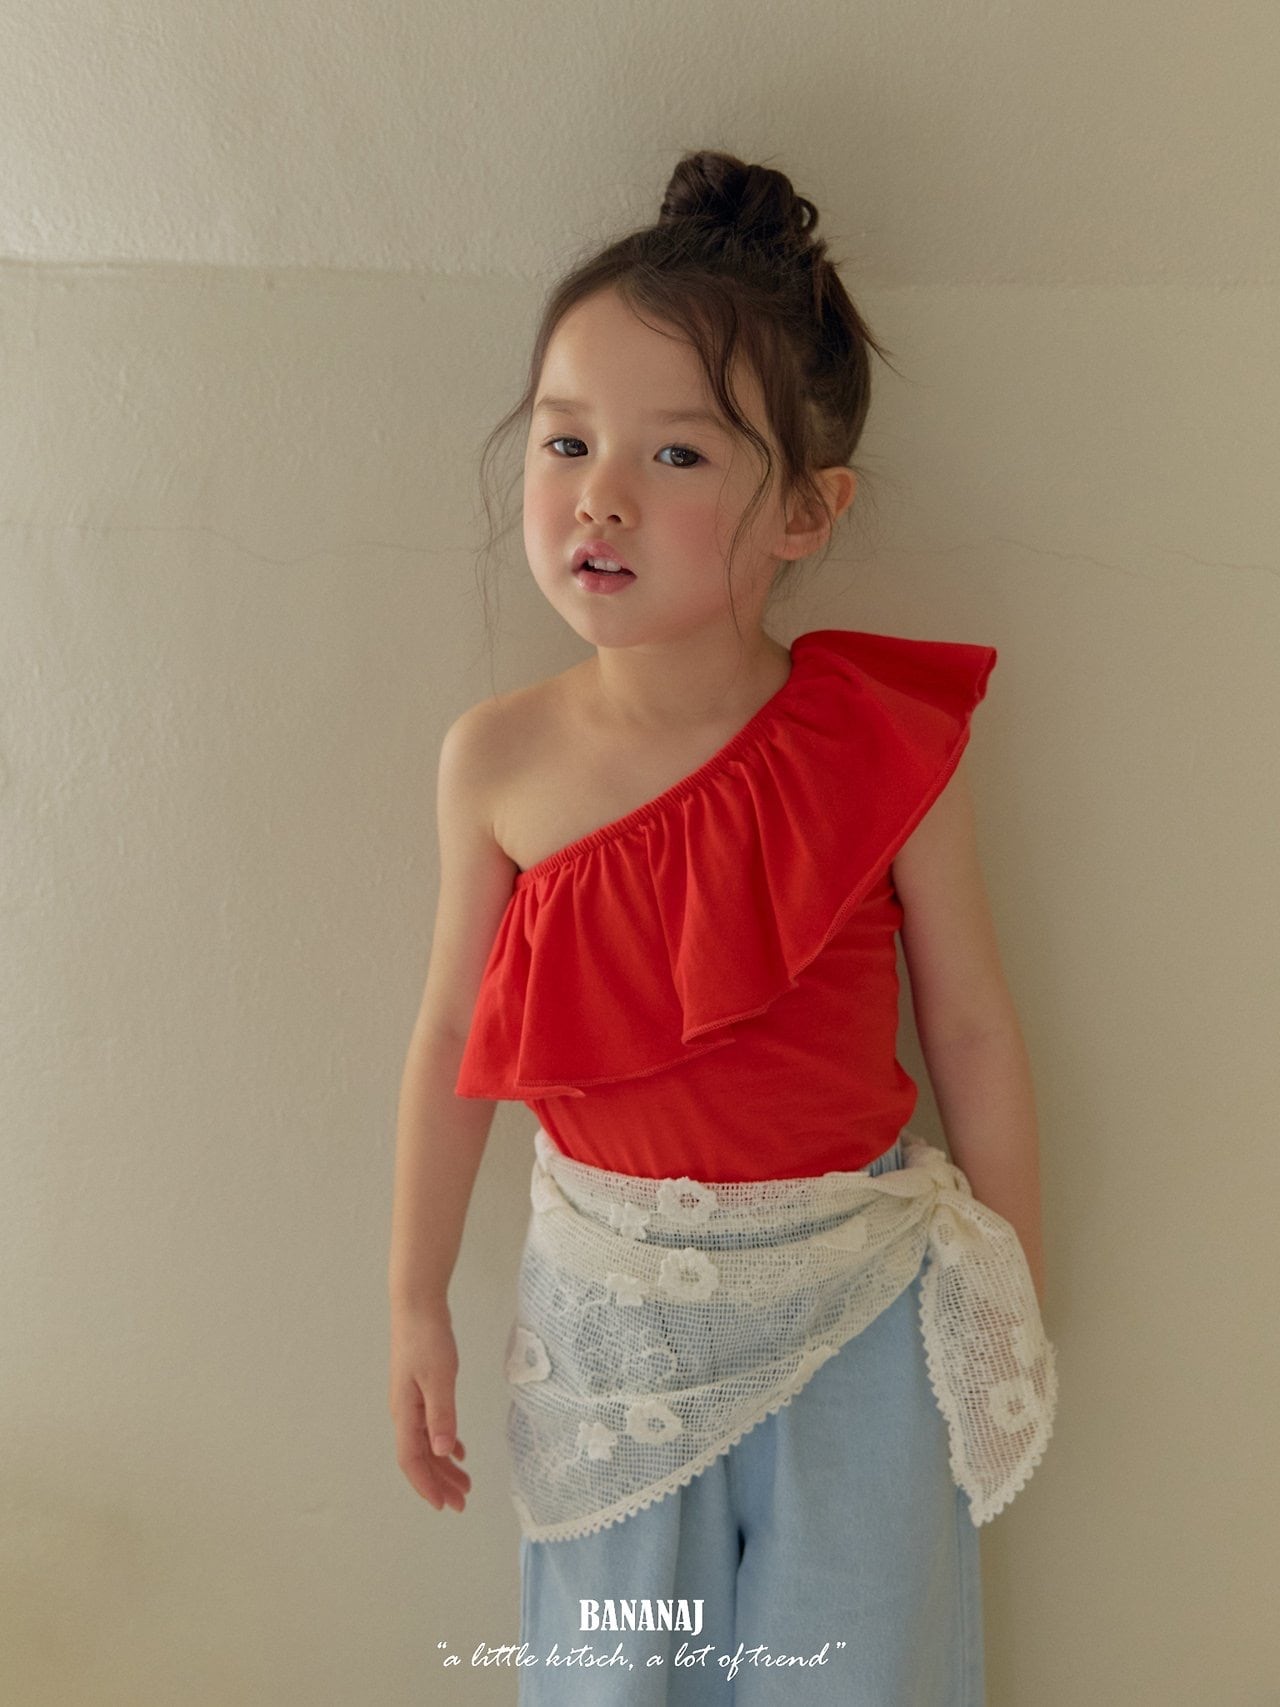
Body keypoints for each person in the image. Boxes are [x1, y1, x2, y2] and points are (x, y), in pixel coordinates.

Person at [388, 148, 1057, 1706]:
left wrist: (1010, 1294)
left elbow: (968, 1026)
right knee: (617, 1678)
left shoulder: (879, 742)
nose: (601, 495)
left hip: (861, 1305)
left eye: (678, 454)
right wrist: (414, 1302)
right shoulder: (498, 761)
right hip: (609, 1325)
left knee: (860, 1667)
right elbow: (449, 1039)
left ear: (807, 512)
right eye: (567, 441)